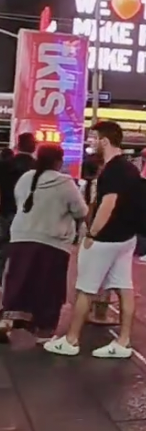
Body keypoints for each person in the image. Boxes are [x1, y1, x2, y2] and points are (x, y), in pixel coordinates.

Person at [45, 121, 139, 359]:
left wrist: (92, 233)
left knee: (85, 288)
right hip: (127, 238)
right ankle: (123, 341)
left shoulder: (113, 170)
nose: (90, 143)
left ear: (105, 141)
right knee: (124, 287)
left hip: (105, 239)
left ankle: (71, 339)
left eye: (93, 138)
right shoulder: (129, 168)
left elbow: (108, 204)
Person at [0, 145, 87, 340]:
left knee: (18, 281)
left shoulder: (25, 178)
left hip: (20, 238)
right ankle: (43, 331)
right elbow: (81, 211)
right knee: (48, 287)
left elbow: (19, 201)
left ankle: (6, 321)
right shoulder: (65, 182)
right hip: (52, 243)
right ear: (59, 161)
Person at [0, 133, 36, 277]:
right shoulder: (38, 167)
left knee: (2, 249)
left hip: (6, 211)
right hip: (30, 216)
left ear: (17, 145)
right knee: (25, 253)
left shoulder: (4, 165)